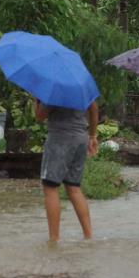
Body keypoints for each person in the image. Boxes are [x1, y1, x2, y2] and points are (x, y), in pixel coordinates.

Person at [35, 99, 98, 241]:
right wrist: (93, 136)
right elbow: (94, 109)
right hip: (81, 138)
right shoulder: (81, 88)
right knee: (74, 188)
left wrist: (37, 99)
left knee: (50, 187)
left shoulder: (55, 91)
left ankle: (54, 239)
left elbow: (39, 116)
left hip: (60, 140)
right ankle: (89, 236)